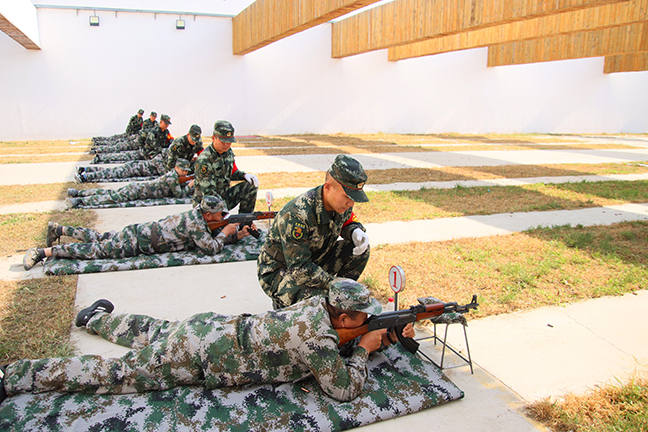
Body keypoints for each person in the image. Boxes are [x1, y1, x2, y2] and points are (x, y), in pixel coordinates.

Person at [0, 279, 415, 404]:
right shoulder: (316, 338)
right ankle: (15, 375)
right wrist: (364, 349)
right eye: (363, 316)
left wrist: (382, 332)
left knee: (153, 330)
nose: (367, 320)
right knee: (118, 374)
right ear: (342, 317)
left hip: (207, 328)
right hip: (199, 357)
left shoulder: (314, 305)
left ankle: (97, 319)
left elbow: (334, 337)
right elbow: (343, 389)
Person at [257, 155, 371, 309]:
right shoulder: (297, 214)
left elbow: (345, 221)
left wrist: (354, 230)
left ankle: (342, 296)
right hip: (281, 270)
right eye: (347, 197)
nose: (351, 203)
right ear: (328, 187)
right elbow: (300, 269)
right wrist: (335, 284)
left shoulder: (339, 203)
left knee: (359, 251)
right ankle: (285, 303)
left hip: (314, 260)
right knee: (321, 303)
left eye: (354, 198)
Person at [23, 195, 255, 270]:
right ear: (208, 216)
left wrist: (238, 234)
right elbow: (211, 248)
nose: (223, 217)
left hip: (140, 232)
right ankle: (43, 252)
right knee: (96, 250)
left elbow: (206, 239)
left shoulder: (198, 215)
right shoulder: (195, 223)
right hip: (138, 242)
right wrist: (226, 231)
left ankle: (60, 229)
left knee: (100, 238)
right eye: (220, 214)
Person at [76, 124, 199, 183]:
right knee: (116, 172)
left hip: (146, 168)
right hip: (142, 168)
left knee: (115, 172)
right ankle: (85, 176)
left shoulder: (174, 142)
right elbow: (168, 171)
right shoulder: (173, 150)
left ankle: (86, 170)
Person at [65, 158, 194, 209]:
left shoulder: (173, 175)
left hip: (137, 188)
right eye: (182, 170)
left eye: (186, 171)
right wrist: (190, 185)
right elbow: (179, 194)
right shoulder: (172, 178)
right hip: (137, 192)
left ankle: (78, 193)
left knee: (110, 193)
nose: (184, 172)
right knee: (111, 198)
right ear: (176, 168)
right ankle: (80, 201)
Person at [193, 120, 258, 213]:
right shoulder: (204, 160)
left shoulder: (228, 152)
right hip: (207, 205)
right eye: (223, 141)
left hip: (223, 198)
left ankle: (245, 220)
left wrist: (244, 175)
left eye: (229, 142)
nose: (226, 145)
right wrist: (224, 212)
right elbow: (209, 193)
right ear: (213, 138)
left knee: (250, 186)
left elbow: (231, 172)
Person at [92, 114, 173, 164]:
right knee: (122, 156)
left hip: (153, 155)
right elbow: (157, 147)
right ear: (161, 122)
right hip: (145, 153)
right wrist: (142, 149)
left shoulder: (166, 132)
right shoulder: (154, 132)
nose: (167, 125)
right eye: (165, 123)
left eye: (168, 124)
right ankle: (100, 157)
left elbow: (171, 140)